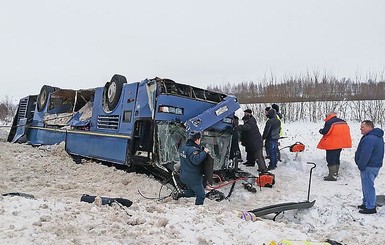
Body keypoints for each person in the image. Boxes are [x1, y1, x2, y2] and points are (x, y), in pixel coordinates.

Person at [355, 120, 384, 214]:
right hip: (374, 165)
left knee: (368, 186)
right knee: (366, 185)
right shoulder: (376, 137)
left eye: (362, 127)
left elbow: (365, 154)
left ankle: (370, 207)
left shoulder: (370, 139)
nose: (360, 129)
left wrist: (361, 165)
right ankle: (366, 203)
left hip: (369, 166)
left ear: (369, 127)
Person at [176, 131, 210, 205]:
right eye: (200, 139)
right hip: (193, 178)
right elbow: (196, 160)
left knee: (192, 192)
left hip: (184, 175)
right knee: (201, 195)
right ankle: (198, 209)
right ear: (197, 140)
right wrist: (204, 152)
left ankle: (180, 194)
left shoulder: (183, 147)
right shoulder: (193, 150)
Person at [317, 112, 352, 181]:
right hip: (341, 143)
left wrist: (321, 131)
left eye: (326, 116)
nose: (325, 117)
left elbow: (326, 132)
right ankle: (336, 173)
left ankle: (332, 175)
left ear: (329, 116)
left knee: (330, 159)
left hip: (332, 144)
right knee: (336, 158)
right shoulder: (343, 121)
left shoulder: (330, 122)